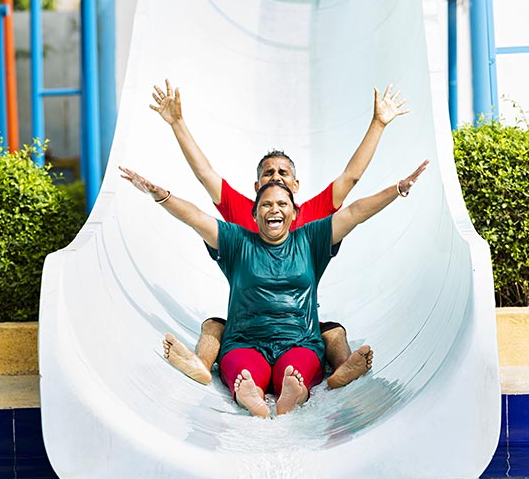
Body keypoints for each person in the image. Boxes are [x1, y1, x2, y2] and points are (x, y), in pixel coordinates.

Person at [150, 79, 409, 389]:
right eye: (268, 174)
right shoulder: (243, 215)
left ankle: (344, 370)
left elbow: (351, 180)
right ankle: (200, 365)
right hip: (249, 326)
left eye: (283, 173)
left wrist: (378, 123)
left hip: (297, 322)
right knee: (214, 327)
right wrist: (177, 123)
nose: (275, 177)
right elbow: (205, 175)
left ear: (295, 188)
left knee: (333, 332)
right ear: (257, 189)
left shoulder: (312, 218)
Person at [119, 159, 429, 418]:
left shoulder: (311, 239)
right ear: (254, 215)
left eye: (282, 204)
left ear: (294, 213)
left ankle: (291, 394)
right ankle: (250, 394)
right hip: (245, 340)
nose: (274, 209)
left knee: (295, 369)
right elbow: (197, 218)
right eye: (265, 204)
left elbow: (354, 213)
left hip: (299, 340)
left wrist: (397, 190)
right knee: (243, 370)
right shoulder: (237, 241)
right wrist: (160, 195)